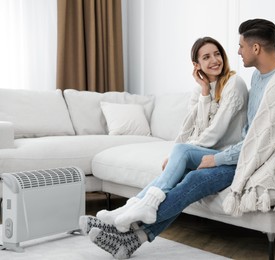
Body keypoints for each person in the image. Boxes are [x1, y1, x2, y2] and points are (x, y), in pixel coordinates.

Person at [80, 18, 275, 259]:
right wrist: (204, 94)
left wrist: (217, 159)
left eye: (240, 46)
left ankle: (126, 226)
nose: (237, 52)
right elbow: (245, 132)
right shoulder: (258, 77)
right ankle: (130, 228)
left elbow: (258, 143)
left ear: (256, 48)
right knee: (183, 155)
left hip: (251, 161)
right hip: (239, 154)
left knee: (193, 178)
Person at [80, 37, 248, 232]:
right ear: (197, 65)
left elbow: (215, 133)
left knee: (182, 156)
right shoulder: (199, 91)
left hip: (223, 155)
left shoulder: (234, 84)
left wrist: (183, 152)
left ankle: (135, 209)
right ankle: (129, 209)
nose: (214, 60)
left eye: (217, 54)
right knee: (176, 165)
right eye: (206, 57)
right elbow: (192, 128)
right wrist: (204, 93)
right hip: (206, 152)